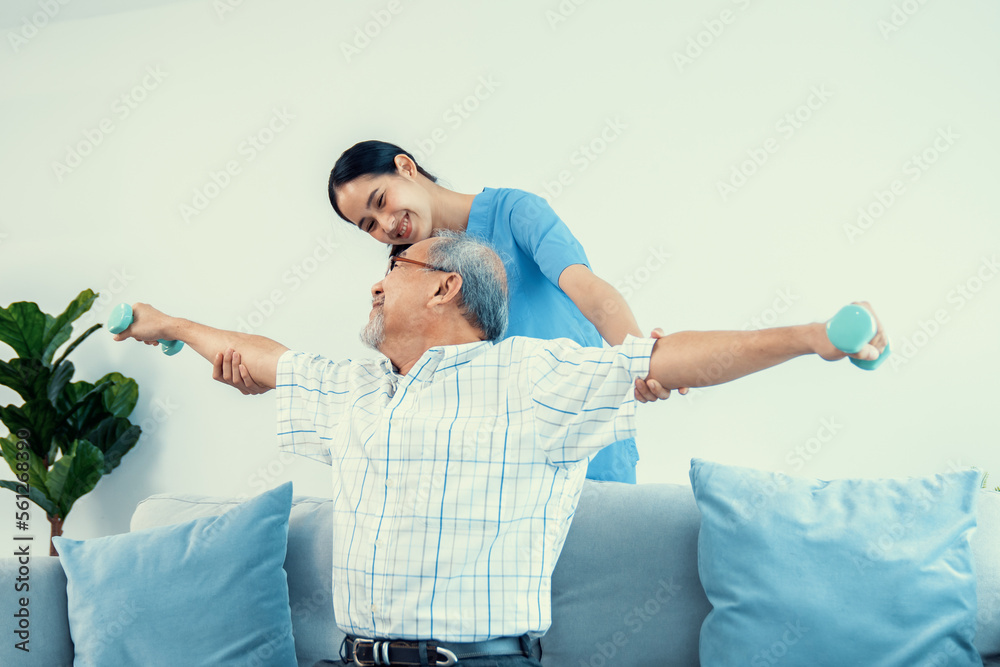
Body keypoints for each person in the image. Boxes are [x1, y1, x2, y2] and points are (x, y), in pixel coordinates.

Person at [113, 233, 887, 667]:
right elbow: (263, 353)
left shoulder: (532, 375)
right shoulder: (360, 387)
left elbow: (665, 357)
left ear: (446, 287)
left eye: (391, 271)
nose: (375, 289)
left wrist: (814, 337)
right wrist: (170, 323)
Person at [325, 139, 680, 484]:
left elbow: (587, 289)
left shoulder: (515, 213)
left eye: (381, 201)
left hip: (580, 427)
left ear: (405, 167)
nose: (386, 225)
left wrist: (642, 358)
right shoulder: (411, 271)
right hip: (498, 462)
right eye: (369, 224)